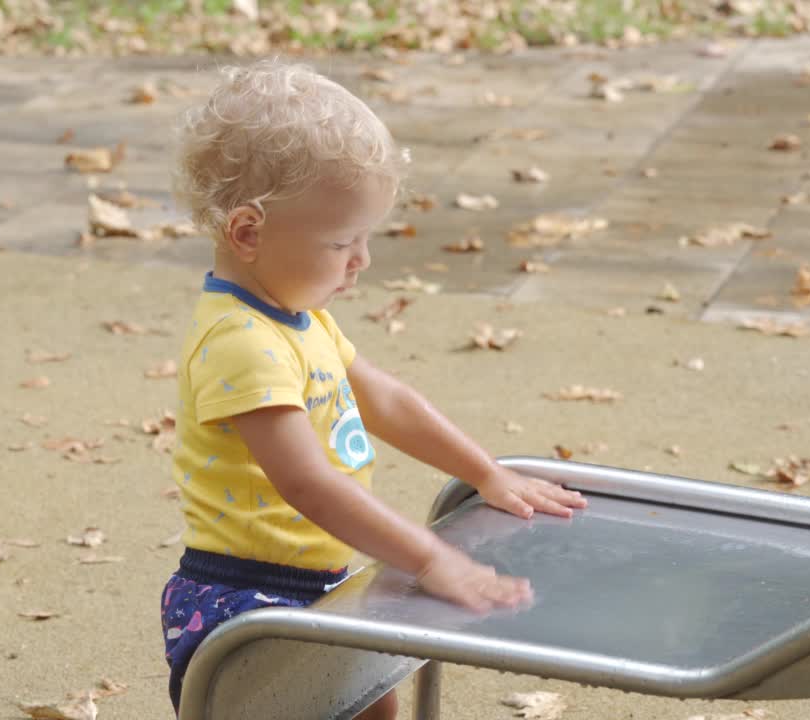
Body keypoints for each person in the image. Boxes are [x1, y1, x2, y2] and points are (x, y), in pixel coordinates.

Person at [160, 59, 587, 719]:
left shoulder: (299, 321)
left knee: (370, 703)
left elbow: (385, 400)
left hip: (321, 579)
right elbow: (307, 484)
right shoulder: (241, 344)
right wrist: (429, 558)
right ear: (248, 232)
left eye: (365, 238)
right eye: (341, 242)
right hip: (248, 595)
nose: (362, 260)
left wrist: (485, 473)